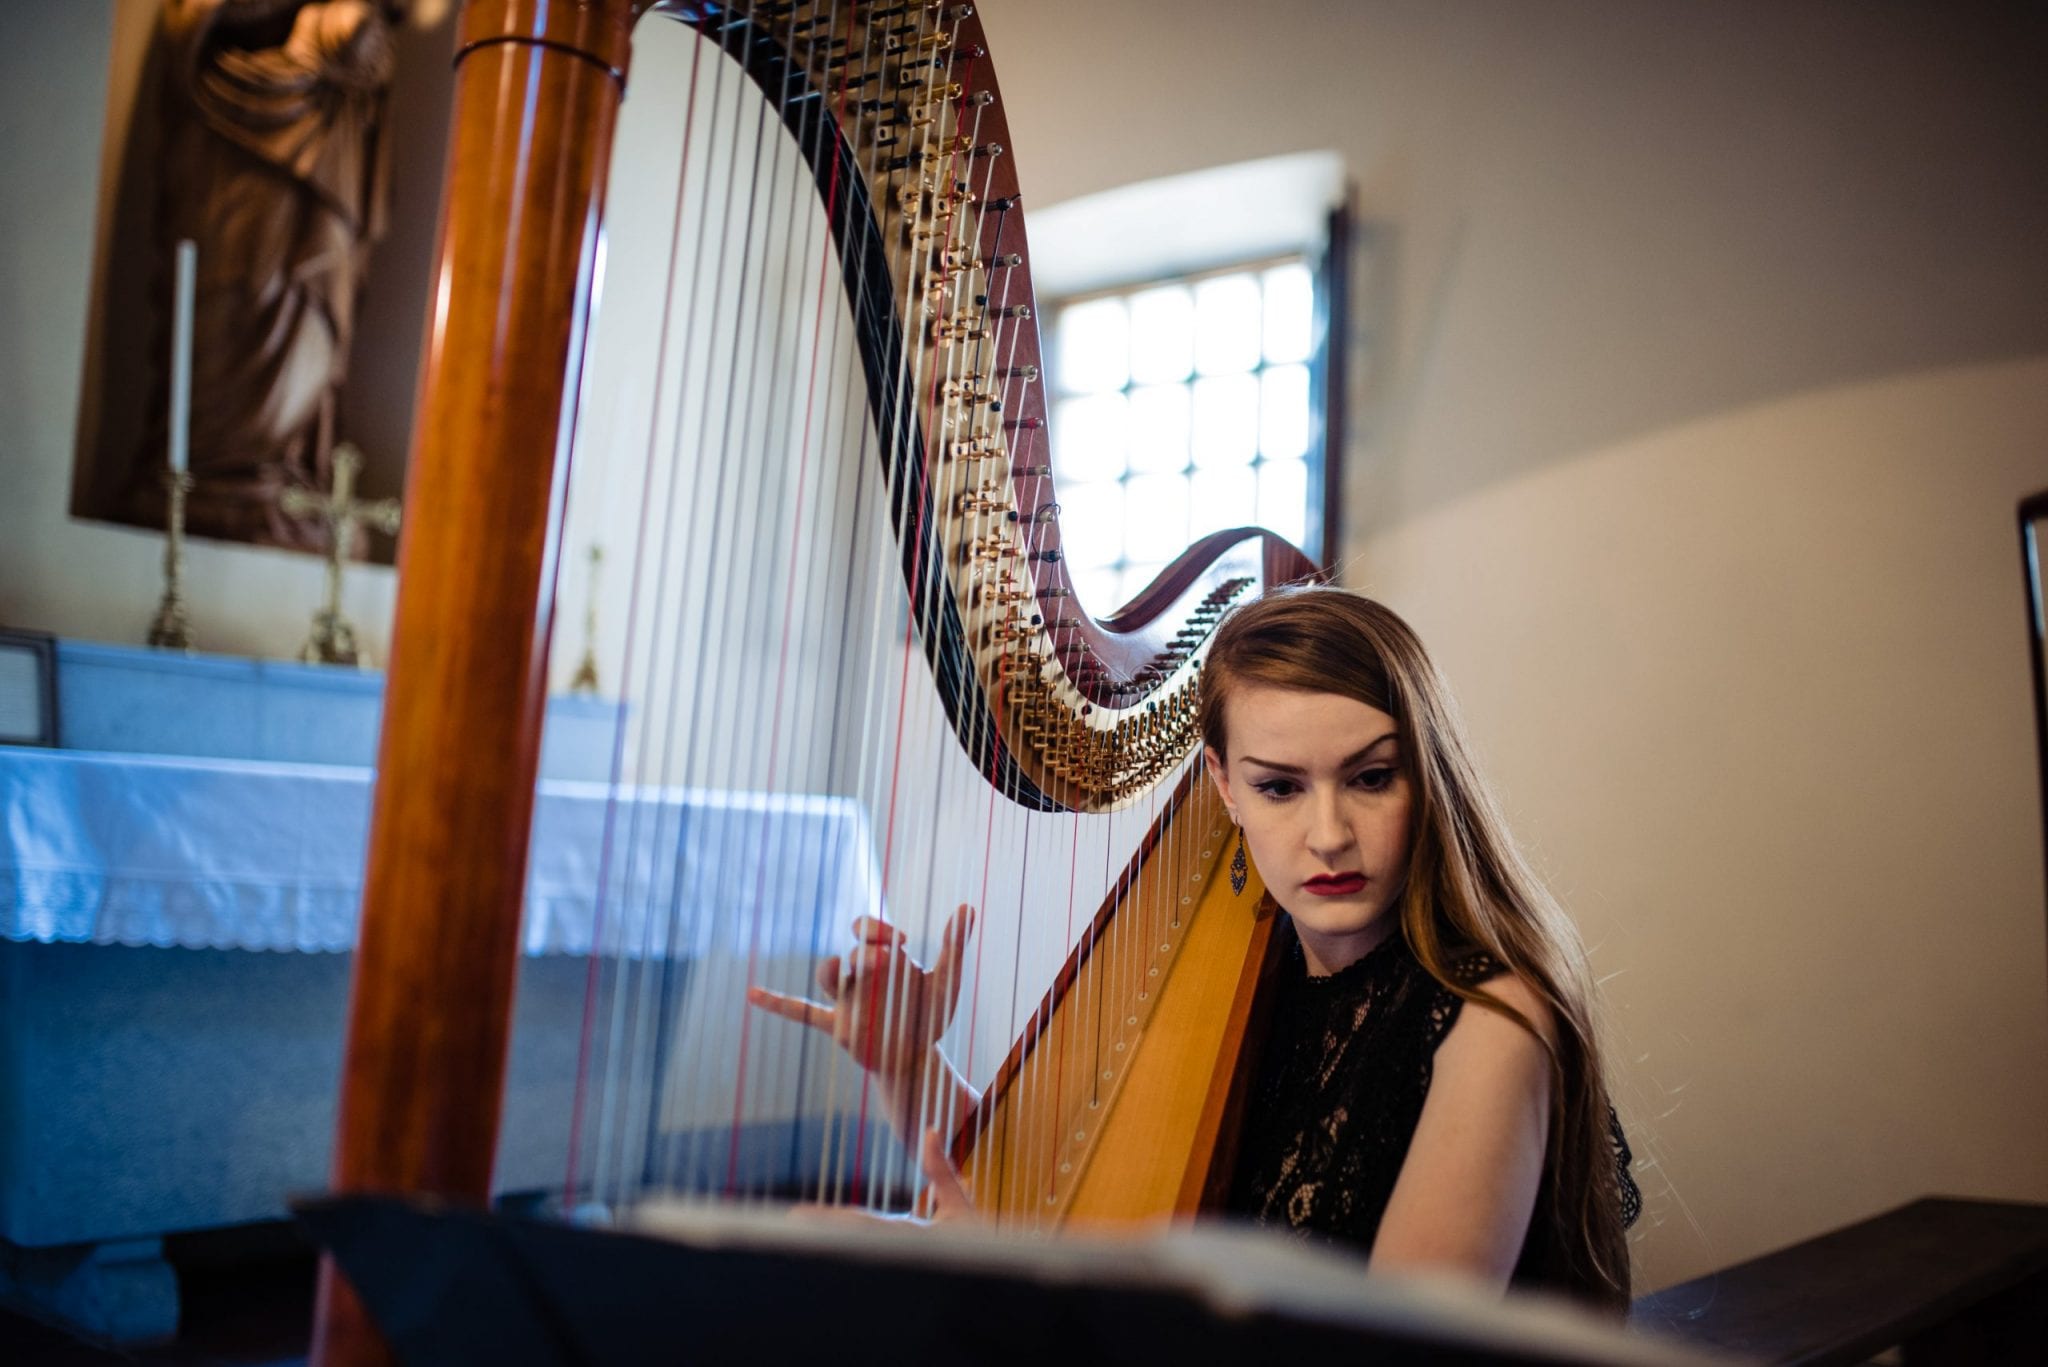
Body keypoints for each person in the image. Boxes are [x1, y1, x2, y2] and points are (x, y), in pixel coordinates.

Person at [749, 585, 1640, 1311]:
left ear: (1428, 773)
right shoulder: (1250, 973)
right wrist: (910, 1062)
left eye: (1372, 777)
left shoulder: (1492, 1020)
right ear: (1223, 785)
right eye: (1280, 787)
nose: (1330, 834)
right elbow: (1048, 1204)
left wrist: (1014, 1303)